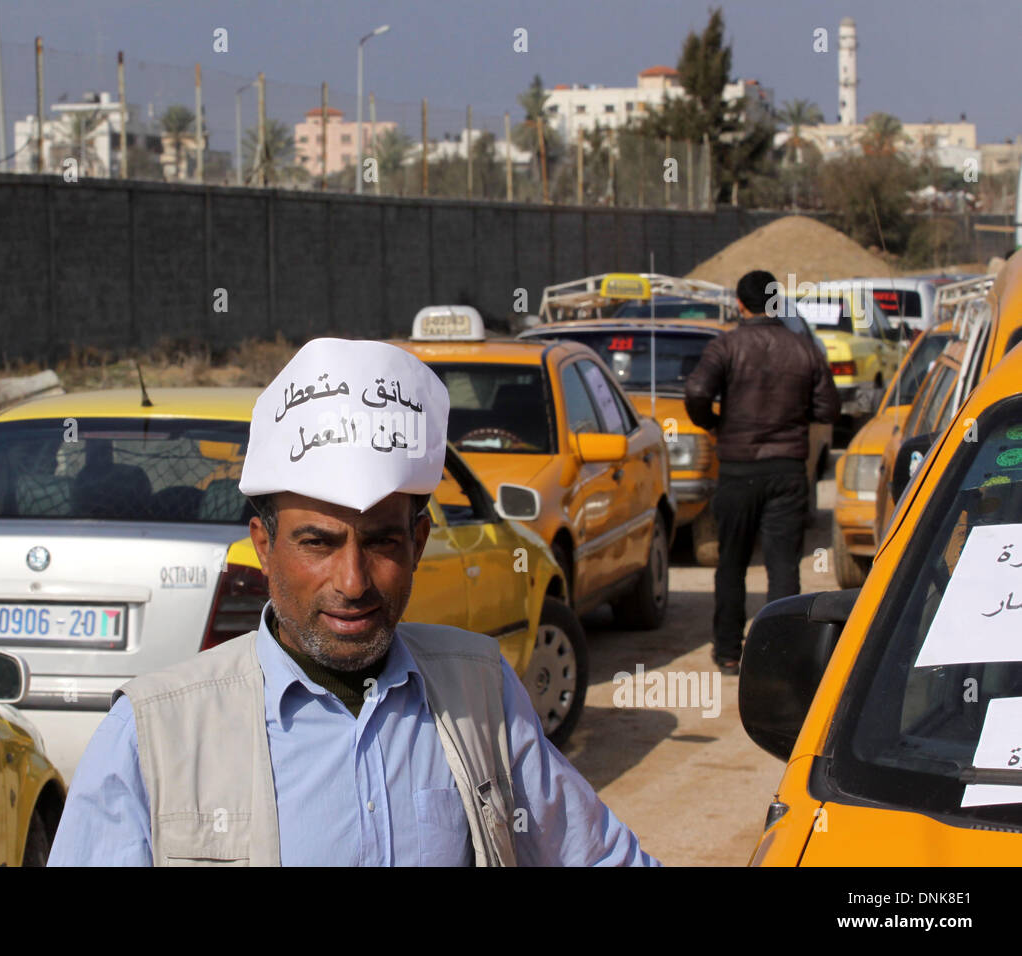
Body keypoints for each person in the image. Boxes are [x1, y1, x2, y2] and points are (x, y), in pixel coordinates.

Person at [48, 337, 659, 867]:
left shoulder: (478, 692)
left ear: (418, 541)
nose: (353, 580)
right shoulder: (153, 734)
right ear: (264, 545)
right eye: (317, 543)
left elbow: (596, 853)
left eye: (381, 541)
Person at [684, 270, 840, 676]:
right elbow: (828, 409)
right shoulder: (804, 348)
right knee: (783, 566)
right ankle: (780, 653)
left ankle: (728, 652)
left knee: (731, 563)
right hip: (787, 469)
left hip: (737, 469)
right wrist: (794, 419)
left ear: (739, 304)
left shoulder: (726, 346)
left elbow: (697, 392)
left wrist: (716, 424)